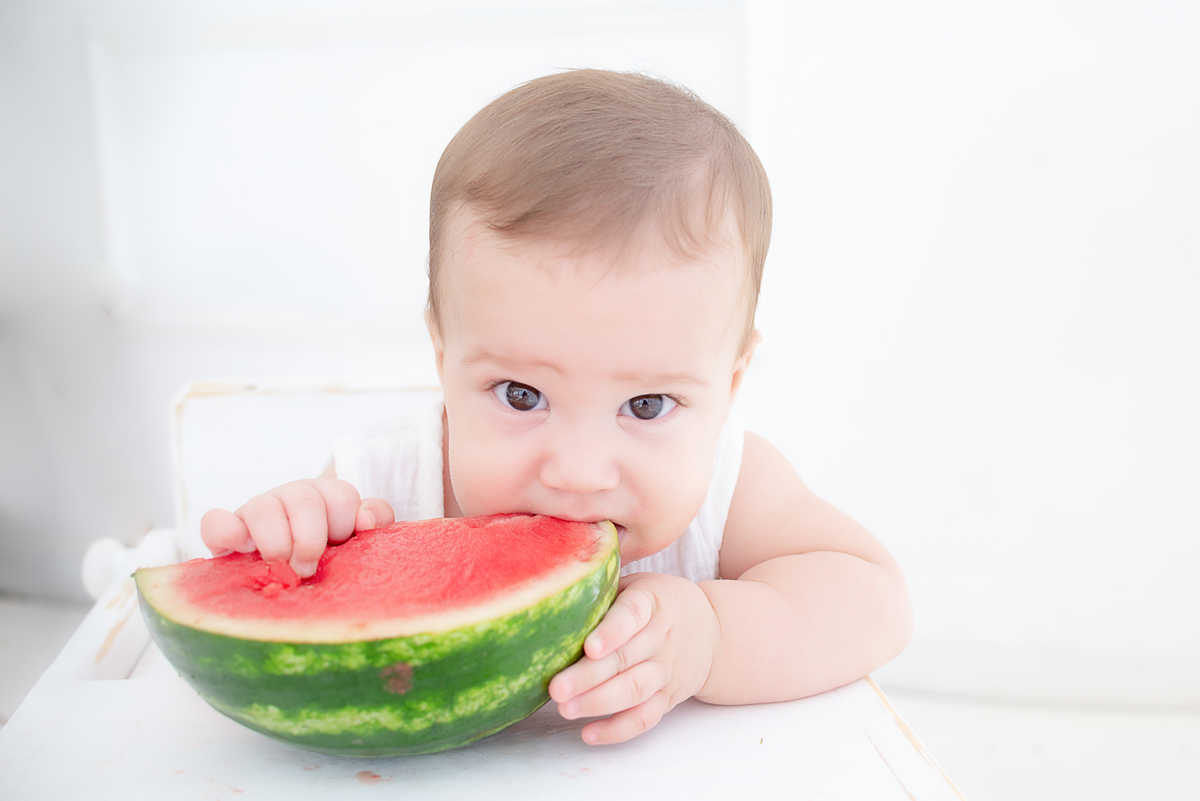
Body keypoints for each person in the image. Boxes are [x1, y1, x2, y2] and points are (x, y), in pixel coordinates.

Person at [200, 69, 912, 746]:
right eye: (522, 395)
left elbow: (875, 598)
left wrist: (715, 635)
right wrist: (295, 540)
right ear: (442, 355)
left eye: (647, 403)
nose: (578, 471)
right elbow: (295, 610)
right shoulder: (379, 480)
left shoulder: (731, 485)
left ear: (730, 384)